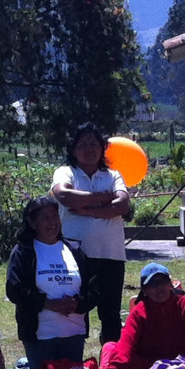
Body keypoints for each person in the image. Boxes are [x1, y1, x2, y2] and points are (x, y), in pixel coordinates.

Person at [49, 122, 131, 347]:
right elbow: (65, 196)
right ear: (73, 149)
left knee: (111, 315)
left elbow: (122, 206)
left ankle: (112, 366)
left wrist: (85, 209)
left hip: (111, 256)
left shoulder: (113, 175)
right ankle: (73, 363)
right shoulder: (66, 172)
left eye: (93, 144)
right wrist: (103, 197)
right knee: (75, 312)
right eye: (83, 144)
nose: (89, 149)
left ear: (102, 148)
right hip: (76, 257)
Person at [4, 195, 92, 369]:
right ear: (32, 223)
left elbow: (94, 290)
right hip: (40, 332)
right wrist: (46, 303)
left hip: (73, 331)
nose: (52, 222)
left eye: (55, 216)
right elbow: (14, 289)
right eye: (45, 218)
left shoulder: (75, 250)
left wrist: (77, 303)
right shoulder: (23, 252)